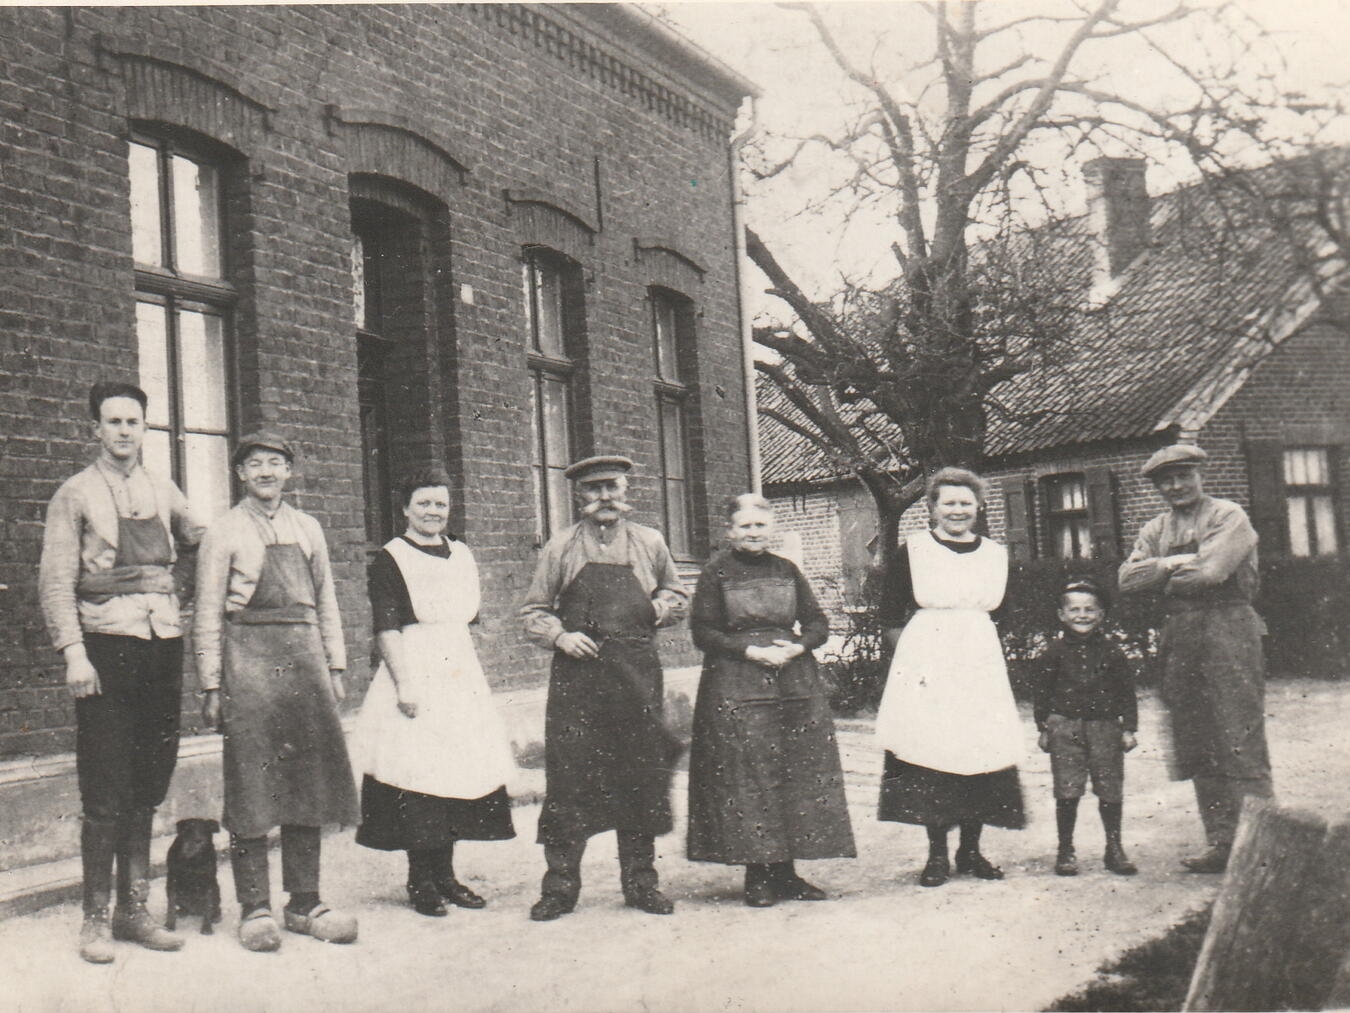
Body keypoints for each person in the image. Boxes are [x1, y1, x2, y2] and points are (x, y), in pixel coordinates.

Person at [39, 382, 203, 963]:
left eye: (134, 422)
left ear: (144, 428)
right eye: (114, 422)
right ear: (97, 429)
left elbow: (199, 540)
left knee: (149, 781)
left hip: (162, 646)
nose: (125, 431)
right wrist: (73, 653)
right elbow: (55, 581)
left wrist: (182, 593)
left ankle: (134, 911)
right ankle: (94, 920)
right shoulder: (75, 494)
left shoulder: (164, 488)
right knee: (105, 785)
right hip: (105, 649)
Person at [195, 432, 360, 951]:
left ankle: (305, 902)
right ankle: (255, 908)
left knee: (307, 781)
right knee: (252, 783)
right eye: (255, 464)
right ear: (240, 474)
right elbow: (207, 611)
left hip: (305, 664)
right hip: (247, 663)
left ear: (289, 471)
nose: (266, 472)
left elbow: (326, 600)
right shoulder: (224, 531)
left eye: (275, 463)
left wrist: (335, 666)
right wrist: (211, 682)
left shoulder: (308, 528)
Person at [520, 455, 688, 921]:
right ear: (579, 497)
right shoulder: (560, 547)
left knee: (640, 777)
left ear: (625, 490)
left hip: (635, 676)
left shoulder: (650, 542)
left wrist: (658, 608)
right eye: (594, 490)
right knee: (570, 781)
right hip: (579, 681)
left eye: (612, 487)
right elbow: (533, 611)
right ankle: (559, 889)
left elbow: (677, 595)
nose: (605, 497)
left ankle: (641, 883)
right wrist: (560, 636)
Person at [354, 467, 517, 917]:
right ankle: (420, 880)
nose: (433, 511)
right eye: (423, 503)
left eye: (440, 504)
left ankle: (446, 875)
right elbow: (386, 627)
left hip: (457, 673)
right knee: (417, 776)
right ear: (406, 509)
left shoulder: (461, 553)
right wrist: (404, 683)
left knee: (456, 772)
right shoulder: (391, 558)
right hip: (413, 669)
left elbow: (467, 618)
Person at [687, 494, 855, 907]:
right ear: (730, 531)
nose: (753, 533)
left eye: (760, 525)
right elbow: (703, 632)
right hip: (736, 681)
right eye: (745, 526)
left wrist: (798, 646)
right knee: (749, 774)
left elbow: (817, 622)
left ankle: (787, 874)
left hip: (793, 683)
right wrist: (749, 651)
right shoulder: (715, 571)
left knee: (795, 772)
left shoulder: (787, 570)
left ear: (772, 529)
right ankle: (758, 875)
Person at [1118, 443, 1273, 873]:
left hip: (1229, 627)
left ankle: (1260, 846)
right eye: (1166, 480)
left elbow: (1210, 573)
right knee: (1196, 739)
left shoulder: (1228, 516)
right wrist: (1174, 564)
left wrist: (1162, 573)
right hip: (1180, 634)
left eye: (1183, 475)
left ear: (1198, 475)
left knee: (1240, 734)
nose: (1176, 486)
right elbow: (1127, 580)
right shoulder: (1155, 528)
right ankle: (1222, 842)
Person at [874, 467, 1025, 887]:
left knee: (981, 751)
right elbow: (890, 615)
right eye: (948, 503)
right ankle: (937, 855)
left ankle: (970, 851)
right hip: (928, 662)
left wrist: (978, 650)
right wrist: (915, 665)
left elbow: (1004, 613)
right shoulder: (914, 550)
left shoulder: (994, 554)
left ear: (979, 506)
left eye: (965, 503)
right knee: (934, 754)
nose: (957, 511)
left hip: (979, 664)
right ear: (932, 508)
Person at [1034, 578, 1139, 878]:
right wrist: (1043, 727)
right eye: (1075, 610)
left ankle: (1114, 848)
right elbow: (1042, 692)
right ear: (1062, 615)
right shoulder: (1053, 652)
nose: (1082, 615)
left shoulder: (1113, 652)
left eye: (1090, 610)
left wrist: (1129, 728)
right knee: (1067, 789)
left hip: (1105, 728)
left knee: (1110, 788)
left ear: (1101, 614)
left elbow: (1126, 693)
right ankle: (1065, 850)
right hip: (1064, 727)